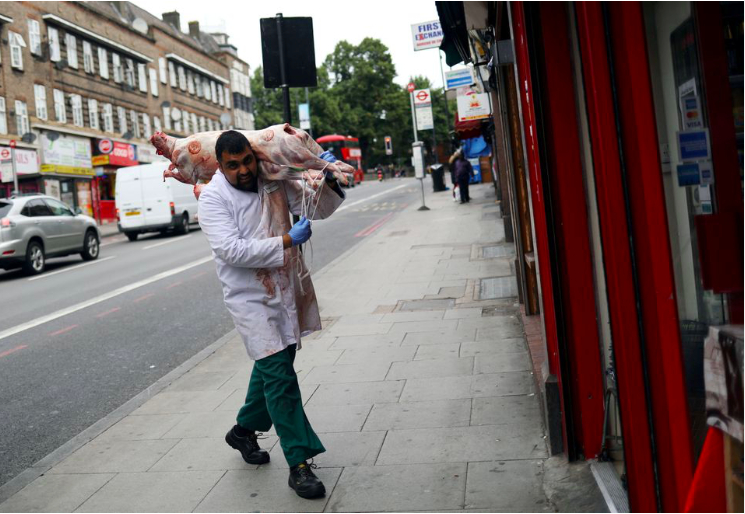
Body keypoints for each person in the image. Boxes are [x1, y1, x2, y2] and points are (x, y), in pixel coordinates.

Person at [197, 130, 345, 500]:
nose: (244, 170)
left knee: (275, 364)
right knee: (279, 374)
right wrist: (286, 241)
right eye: (234, 165)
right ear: (221, 165)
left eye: (247, 160)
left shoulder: (270, 180)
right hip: (250, 298)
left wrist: (327, 176)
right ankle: (299, 463)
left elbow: (317, 206)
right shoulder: (213, 198)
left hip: (284, 286)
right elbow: (232, 251)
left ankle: (243, 430)